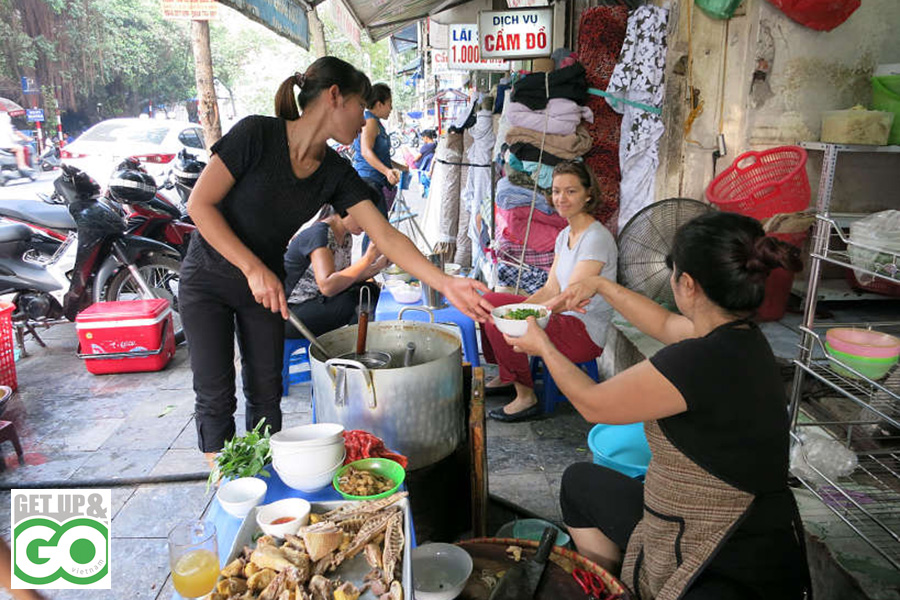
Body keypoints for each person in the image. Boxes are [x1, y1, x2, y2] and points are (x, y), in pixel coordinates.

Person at [180, 56, 491, 463]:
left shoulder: (334, 172)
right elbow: (199, 205)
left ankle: (262, 478)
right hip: (209, 278)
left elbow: (385, 235)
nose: (364, 120)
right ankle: (224, 483)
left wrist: (445, 282)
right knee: (216, 394)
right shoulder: (256, 134)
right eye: (361, 106)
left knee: (266, 393)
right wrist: (252, 268)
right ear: (334, 97)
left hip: (266, 287)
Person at [508, 212, 810, 599]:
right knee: (580, 483)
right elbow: (665, 325)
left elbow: (593, 405)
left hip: (728, 542)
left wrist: (542, 346)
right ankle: (611, 588)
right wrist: (599, 285)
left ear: (687, 284)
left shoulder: (696, 361)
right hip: (719, 515)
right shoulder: (741, 337)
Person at [483, 161, 616, 422]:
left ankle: (526, 397)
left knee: (503, 321)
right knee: (489, 304)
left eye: (571, 191)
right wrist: (518, 309)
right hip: (559, 315)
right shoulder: (565, 234)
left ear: (588, 195)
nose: (561, 198)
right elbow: (551, 288)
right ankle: (509, 375)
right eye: (556, 191)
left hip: (582, 331)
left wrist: (523, 315)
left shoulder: (596, 238)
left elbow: (569, 299)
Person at [283, 204, 388, 337]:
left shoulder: (346, 237)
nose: (368, 225)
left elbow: (345, 280)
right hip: (291, 314)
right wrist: (368, 258)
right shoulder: (319, 235)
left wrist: (379, 265)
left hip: (315, 302)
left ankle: (362, 343)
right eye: (365, 217)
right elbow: (328, 287)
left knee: (369, 289)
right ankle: (356, 347)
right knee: (358, 302)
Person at [351, 83, 403, 218]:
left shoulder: (375, 121)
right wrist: (387, 171)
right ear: (379, 104)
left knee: (376, 226)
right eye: (389, 104)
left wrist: (401, 167)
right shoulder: (370, 121)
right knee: (380, 227)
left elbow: (379, 156)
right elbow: (366, 152)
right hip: (369, 181)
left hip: (373, 181)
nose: (391, 108)